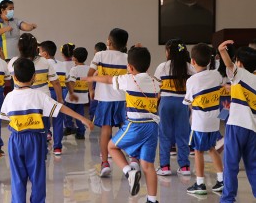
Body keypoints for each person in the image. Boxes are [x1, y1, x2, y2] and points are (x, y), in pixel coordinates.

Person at [0, 58, 93, 203]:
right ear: (34, 77)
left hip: (16, 140)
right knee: (37, 177)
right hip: (35, 140)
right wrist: (82, 118)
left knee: (17, 177)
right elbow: (61, 107)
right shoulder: (40, 96)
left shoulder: (9, 97)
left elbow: (5, 117)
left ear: (14, 77)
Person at [83, 46, 160, 203]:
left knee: (112, 147)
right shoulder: (155, 82)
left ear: (130, 67)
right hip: (153, 126)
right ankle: (152, 200)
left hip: (136, 124)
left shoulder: (129, 79)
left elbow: (108, 79)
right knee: (148, 165)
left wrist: (91, 79)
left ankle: (128, 171)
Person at [8, 34, 64, 154]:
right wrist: (59, 98)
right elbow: (56, 82)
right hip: (41, 103)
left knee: (23, 129)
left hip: (21, 104)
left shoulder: (13, 62)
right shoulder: (44, 62)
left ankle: (26, 152)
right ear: (36, 47)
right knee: (42, 128)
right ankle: (48, 150)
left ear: (19, 47)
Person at [218, 40, 256, 203]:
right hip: (253, 130)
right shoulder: (252, 78)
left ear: (239, 63)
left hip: (236, 127)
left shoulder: (239, 73)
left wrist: (222, 51)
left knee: (231, 166)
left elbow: (229, 65)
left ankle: (228, 199)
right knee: (253, 167)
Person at [183, 43, 224, 195]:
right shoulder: (216, 75)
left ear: (192, 61)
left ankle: (200, 184)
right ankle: (222, 180)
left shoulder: (192, 81)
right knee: (212, 149)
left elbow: (188, 103)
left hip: (199, 123)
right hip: (214, 121)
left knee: (198, 151)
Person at [87, 28, 128, 177]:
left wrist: (91, 90)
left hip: (105, 100)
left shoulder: (100, 55)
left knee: (106, 130)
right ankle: (133, 159)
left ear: (109, 42)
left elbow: (90, 75)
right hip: (123, 99)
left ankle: (105, 163)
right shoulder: (127, 57)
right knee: (127, 129)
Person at [154, 39, 194, 176]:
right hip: (183, 103)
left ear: (169, 52)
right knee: (182, 134)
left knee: (164, 134)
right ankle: (184, 167)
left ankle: (164, 167)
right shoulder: (190, 67)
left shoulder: (162, 67)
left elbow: (156, 87)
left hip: (165, 103)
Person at [38, 40, 67, 154]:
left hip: (47, 93)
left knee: (44, 119)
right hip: (60, 92)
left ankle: (45, 140)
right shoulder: (62, 64)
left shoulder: (42, 64)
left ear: (45, 54)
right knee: (58, 120)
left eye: (39, 51)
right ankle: (57, 147)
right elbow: (67, 80)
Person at [65, 47, 90, 140]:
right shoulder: (88, 69)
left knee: (67, 113)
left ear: (74, 58)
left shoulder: (74, 69)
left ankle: (70, 127)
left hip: (73, 97)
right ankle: (81, 132)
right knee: (80, 116)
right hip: (82, 97)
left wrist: (71, 93)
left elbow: (72, 82)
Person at [89, 42, 107, 120]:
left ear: (95, 51)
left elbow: (91, 74)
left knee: (94, 103)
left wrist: (91, 89)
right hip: (105, 84)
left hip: (96, 83)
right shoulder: (107, 59)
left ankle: (93, 118)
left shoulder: (95, 60)